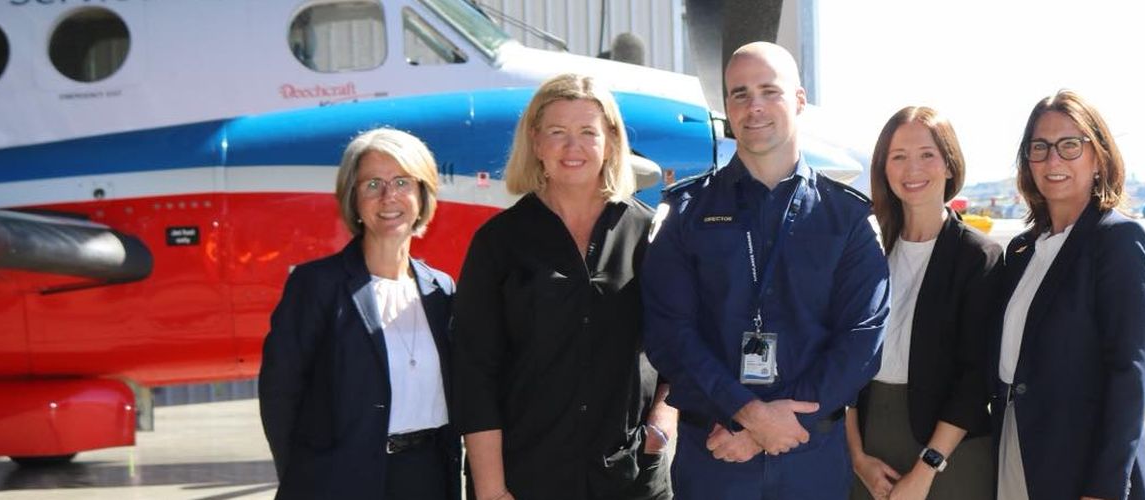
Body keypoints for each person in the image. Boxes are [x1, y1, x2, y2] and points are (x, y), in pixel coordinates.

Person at [641, 41, 890, 499]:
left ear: (798, 100)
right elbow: (669, 333)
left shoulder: (847, 218)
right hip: (715, 452)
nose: (754, 106)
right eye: (739, 93)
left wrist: (770, 426)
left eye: (768, 91)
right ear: (727, 108)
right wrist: (750, 414)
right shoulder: (685, 212)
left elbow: (862, 339)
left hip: (808, 456)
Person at [449, 73, 673, 500]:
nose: (573, 147)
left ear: (610, 140)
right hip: (526, 480)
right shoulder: (498, 241)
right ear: (535, 142)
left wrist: (660, 426)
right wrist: (492, 490)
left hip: (630, 479)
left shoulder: (649, 233)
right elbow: (473, 374)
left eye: (587, 132)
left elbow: (681, 346)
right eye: (557, 132)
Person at [260, 127, 461, 500]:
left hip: (428, 478)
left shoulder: (443, 290)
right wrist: (304, 478)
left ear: (422, 193)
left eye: (402, 181)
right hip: (339, 482)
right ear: (354, 198)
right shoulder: (316, 285)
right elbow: (279, 395)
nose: (388, 196)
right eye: (372, 184)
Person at [990, 89, 1145, 500]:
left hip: (1085, 469)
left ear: (1098, 155)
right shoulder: (1022, 250)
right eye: (1040, 148)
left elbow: (1130, 374)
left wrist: (1105, 486)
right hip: (1018, 448)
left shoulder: (1117, 240)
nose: (1053, 160)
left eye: (1070, 146)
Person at [846, 106, 1001, 500]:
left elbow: (975, 378)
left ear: (950, 166)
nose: (912, 168)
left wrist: (927, 468)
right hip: (869, 444)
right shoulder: (866, 249)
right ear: (884, 168)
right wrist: (856, 456)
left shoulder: (978, 257)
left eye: (927, 154)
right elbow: (841, 357)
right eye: (898, 157)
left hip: (948, 451)